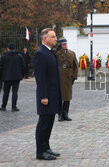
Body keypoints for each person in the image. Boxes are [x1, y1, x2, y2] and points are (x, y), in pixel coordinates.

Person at [33, 28, 61, 160]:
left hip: (52, 95)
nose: (56, 39)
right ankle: (40, 152)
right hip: (46, 96)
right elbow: (40, 78)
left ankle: (46, 148)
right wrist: (44, 96)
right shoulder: (40, 53)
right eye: (53, 37)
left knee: (49, 123)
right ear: (45, 39)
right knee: (43, 124)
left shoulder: (49, 52)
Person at [55, 37, 78, 121]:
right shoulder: (56, 54)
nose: (65, 45)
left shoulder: (72, 53)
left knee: (67, 97)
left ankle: (66, 113)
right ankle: (60, 114)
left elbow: (76, 66)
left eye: (66, 44)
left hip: (68, 77)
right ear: (60, 45)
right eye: (63, 44)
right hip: (59, 77)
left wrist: (74, 77)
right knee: (59, 97)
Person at [0, 43, 25, 112]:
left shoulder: (4, 56)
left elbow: (1, 67)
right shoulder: (19, 56)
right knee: (15, 92)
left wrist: (1, 76)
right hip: (16, 77)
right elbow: (23, 66)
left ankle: (3, 106)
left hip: (6, 77)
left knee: (6, 92)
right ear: (14, 48)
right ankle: (14, 107)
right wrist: (22, 75)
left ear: (8, 48)